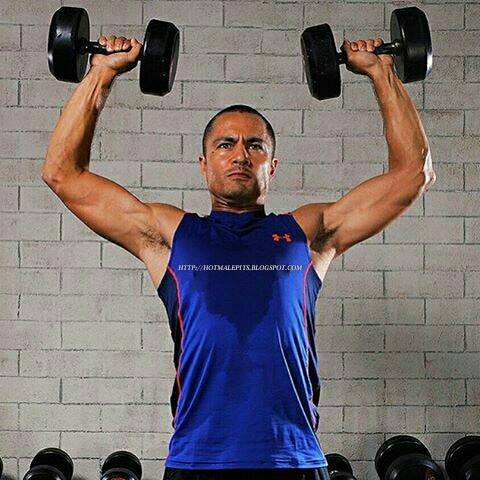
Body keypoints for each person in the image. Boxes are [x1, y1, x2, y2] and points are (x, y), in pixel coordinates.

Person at [41, 34, 435, 480]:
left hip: (294, 461)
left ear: (272, 165)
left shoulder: (307, 233)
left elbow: (413, 174)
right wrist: (102, 73)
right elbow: (62, 172)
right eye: (225, 144)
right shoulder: (170, 235)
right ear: (204, 164)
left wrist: (382, 72)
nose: (241, 155)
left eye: (255, 145)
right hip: (197, 462)